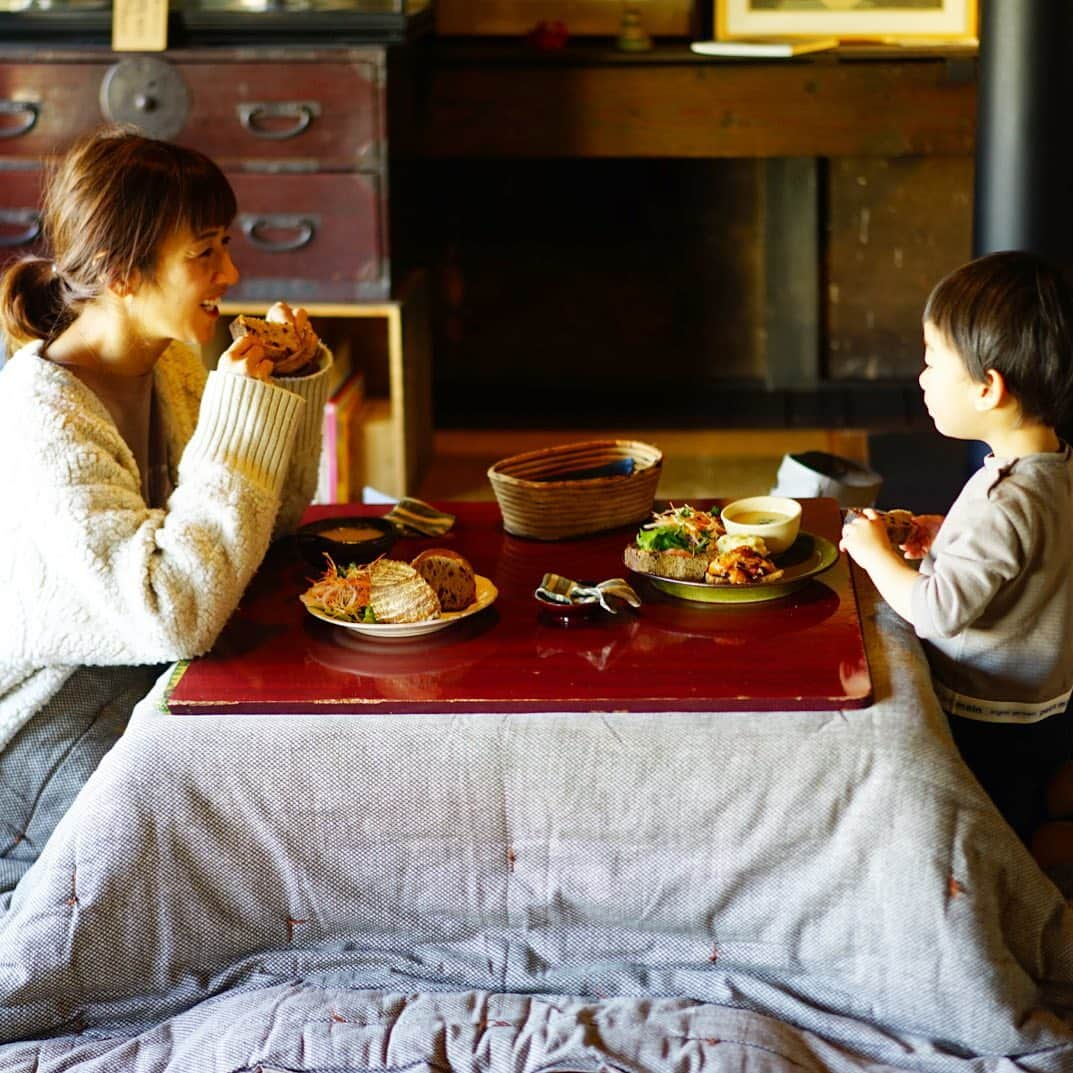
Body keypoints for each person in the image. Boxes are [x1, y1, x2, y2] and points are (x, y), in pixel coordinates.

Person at [0, 127, 332, 894]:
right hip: (41, 735)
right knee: (268, 848)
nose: (231, 271)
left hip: (150, 681)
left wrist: (286, 386)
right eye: (204, 252)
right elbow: (171, 610)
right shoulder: (41, 416)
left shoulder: (174, 366)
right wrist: (242, 408)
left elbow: (260, 531)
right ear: (121, 273)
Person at [840, 250, 1073, 843]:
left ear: (988, 388)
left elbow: (938, 613)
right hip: (1045, 698)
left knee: (993, 822)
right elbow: (1020, 560)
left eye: (931, 361)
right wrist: (941, 536)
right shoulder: (1052, 470)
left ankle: (1032, 865)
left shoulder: (1003, 498)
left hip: (989, 711)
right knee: (1031, 787)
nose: (922, 377)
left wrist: (876, 555)